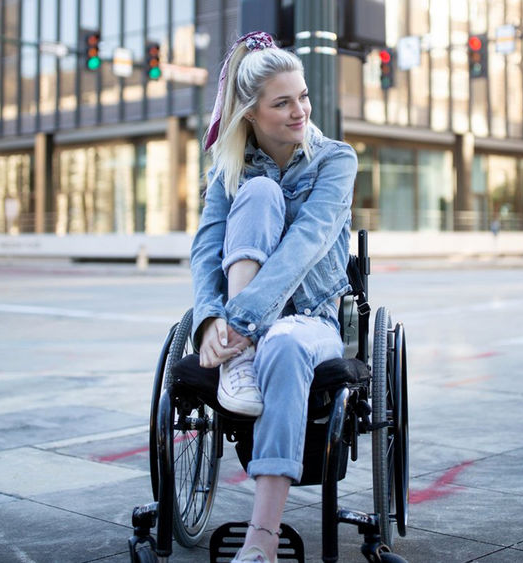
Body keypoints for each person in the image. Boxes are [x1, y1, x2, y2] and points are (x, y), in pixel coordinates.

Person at [189, 31, 358, 563]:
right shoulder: (229, 171)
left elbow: (308, 243)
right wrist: (210, 321)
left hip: (311, 319)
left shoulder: (335, 160)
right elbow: (205, 250)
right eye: (282, 103)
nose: (299, 110)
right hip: (239, 322)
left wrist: (242, 319)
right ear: (251, 115)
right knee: (258, 191)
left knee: (283, 343)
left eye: (302, 97)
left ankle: (261, 540)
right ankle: (242, 351)